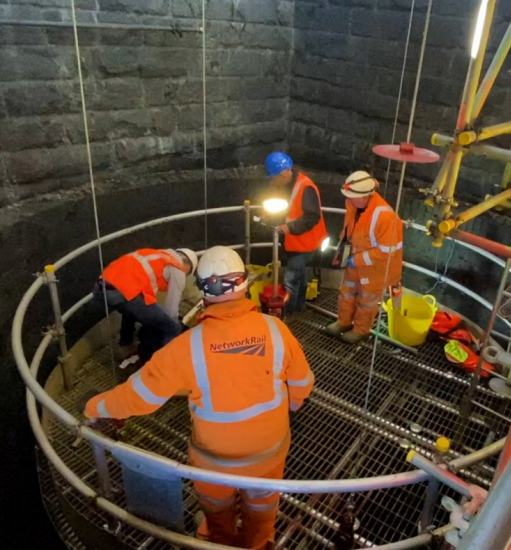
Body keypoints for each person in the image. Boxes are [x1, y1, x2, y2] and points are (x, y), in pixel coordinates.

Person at [83, 246, 313, 550]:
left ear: (203, 290)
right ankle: (258, 543)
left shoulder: (187, 346)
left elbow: (140, 395)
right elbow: (302, 383)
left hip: (213, 462)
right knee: (262, 510)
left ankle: (218, 541)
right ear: (244, 283)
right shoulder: (275, 329)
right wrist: (290, 407)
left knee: (217, 514)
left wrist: (95, 407)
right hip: (268, 454)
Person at [326, 171, 403, 344]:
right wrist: (341, 253)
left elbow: (385, 252)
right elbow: (349, 232)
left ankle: (360, 330)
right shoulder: (354, 205)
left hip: (374, 269)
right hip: (354, 262)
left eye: (352, 197)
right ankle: (343, 322)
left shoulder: (385, 216)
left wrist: (356, 260)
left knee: (366, 301)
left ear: (367, 195)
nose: (349, 199)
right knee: (346, 293)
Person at [95, 247, 198, 366]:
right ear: (187, 265)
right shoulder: (177, 269)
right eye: (188, 273)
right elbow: (171, 311)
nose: (185, 276)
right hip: (121, 292)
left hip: (101, 288)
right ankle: (164, 366)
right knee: (172, 327)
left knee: (131, 310)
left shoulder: (157, 255)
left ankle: (125, 346)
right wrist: (171, 325)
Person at [265, 151, 327, 316]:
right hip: (299, 243)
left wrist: (290, 228)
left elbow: (312, 216)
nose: (272, 182)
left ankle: (288, 314)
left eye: (273, 178)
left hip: (306, 244)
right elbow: (291, 209)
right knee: (299, 277)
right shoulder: (291, 185)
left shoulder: (305, 187)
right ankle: (299, 307)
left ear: (284, 174)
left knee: (290, 280)